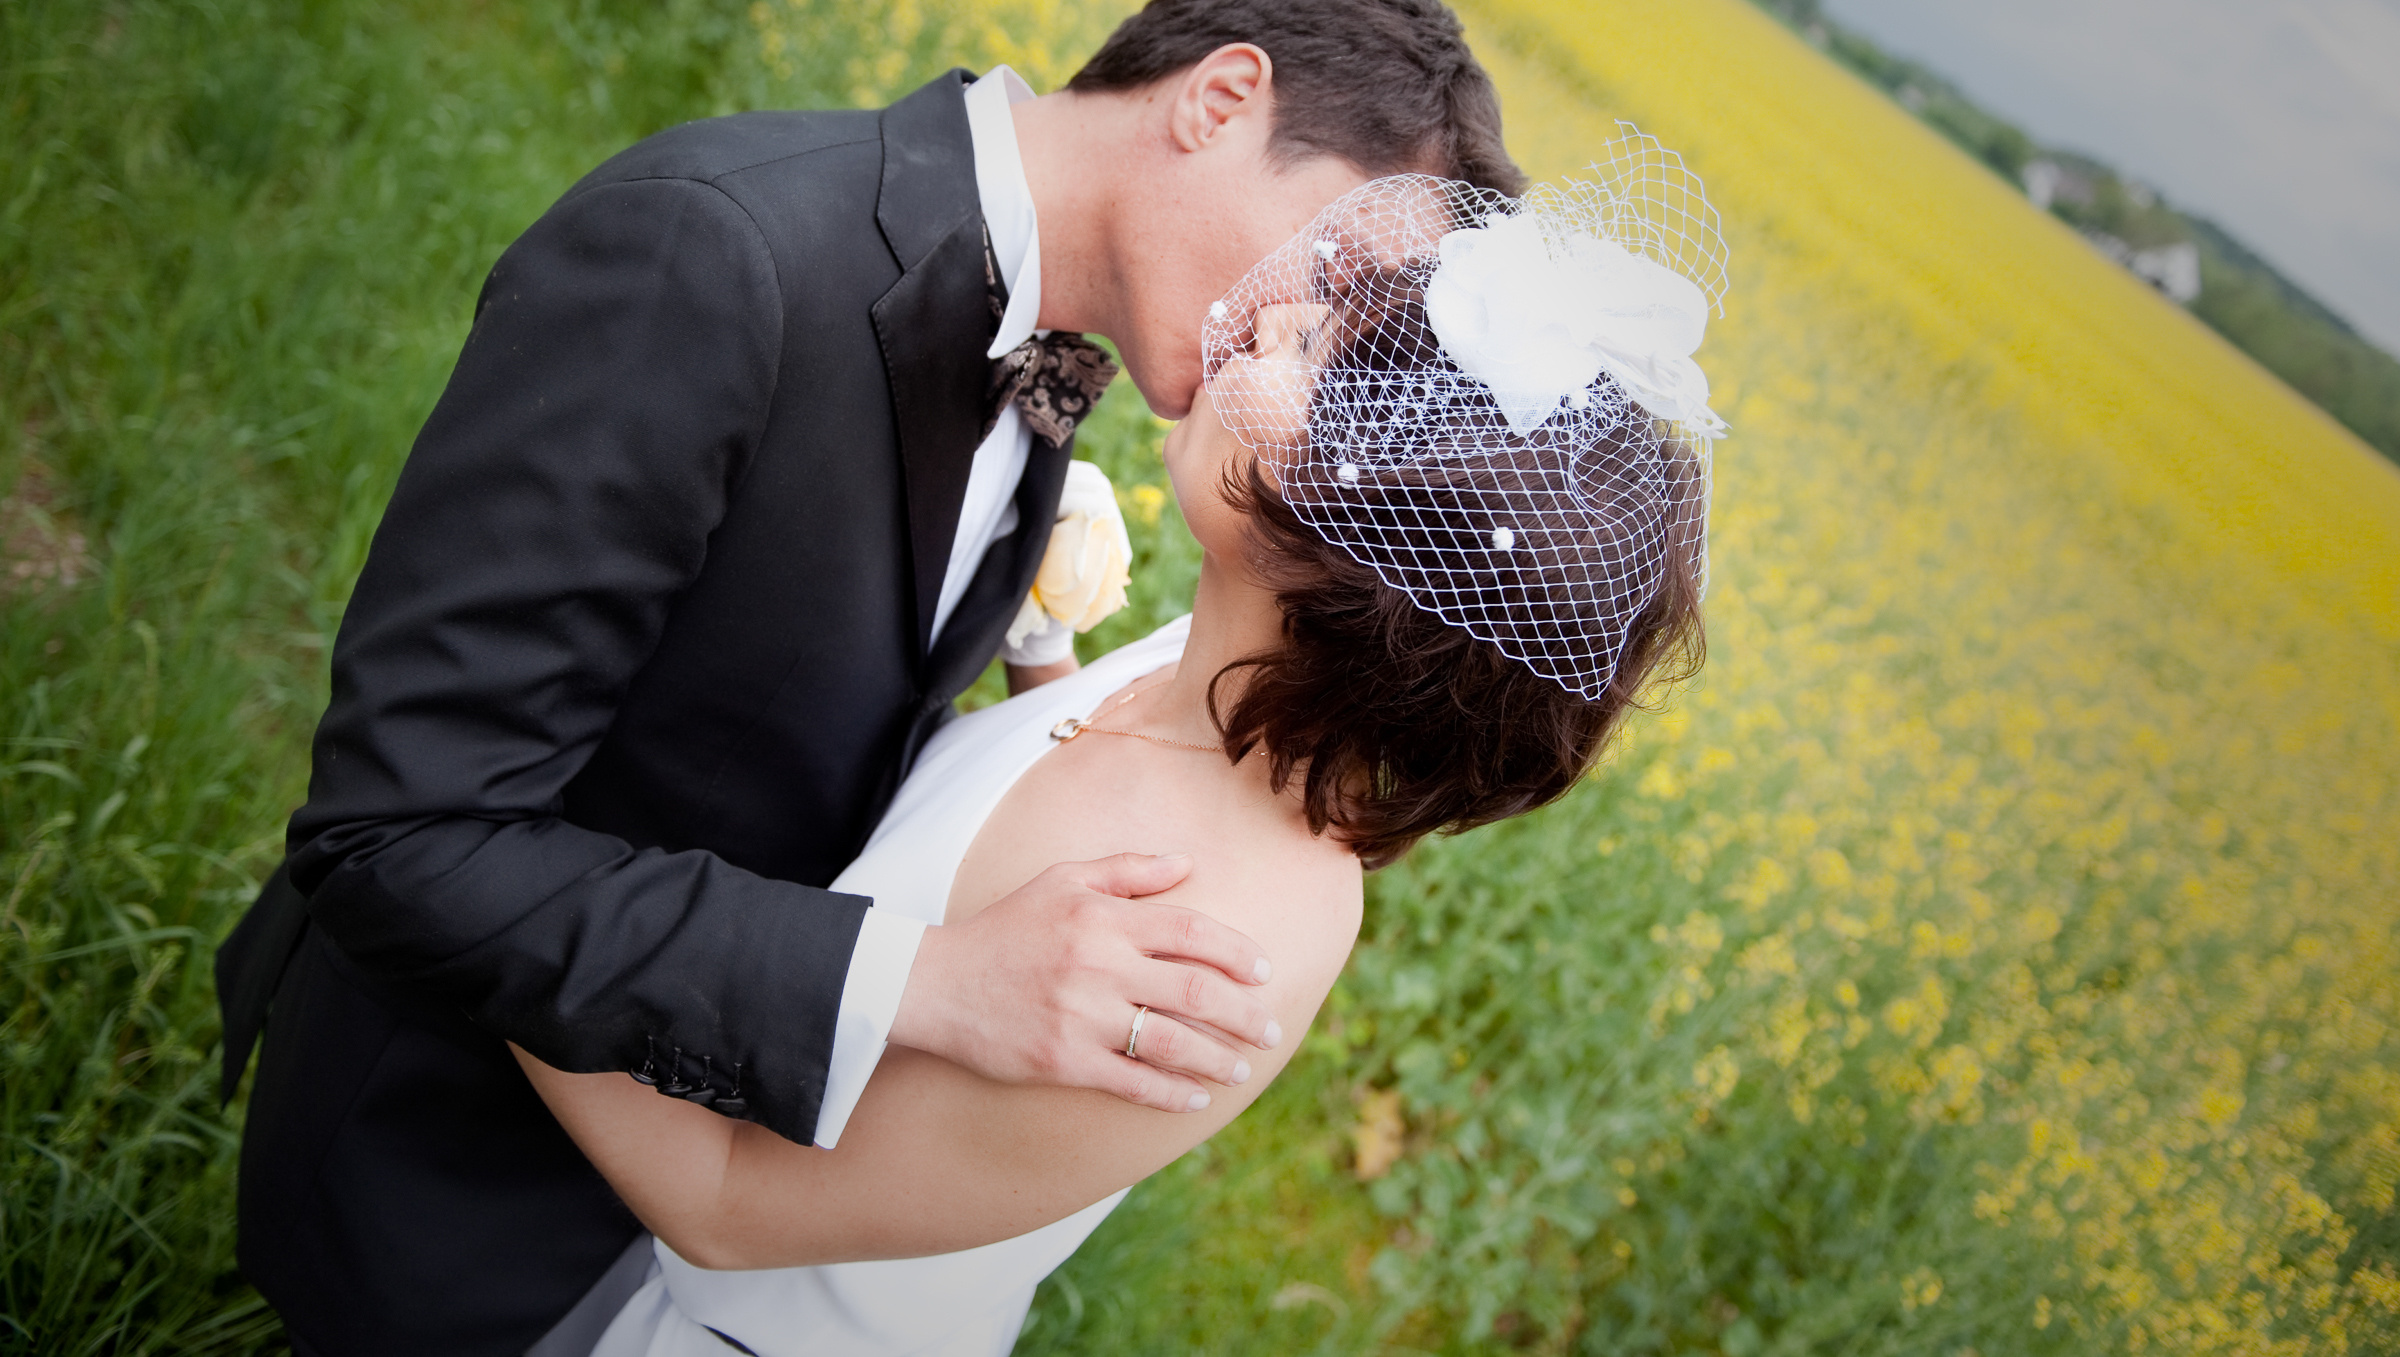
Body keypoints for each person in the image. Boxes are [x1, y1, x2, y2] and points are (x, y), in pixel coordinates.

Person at [212, 0, 1528, 1356]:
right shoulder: (714, 255)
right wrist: (932, 982)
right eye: (1334, 266)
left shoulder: (1057, 341)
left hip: (649, 1194)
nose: (1310, 331)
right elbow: (398, 826)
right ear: (1220, 100)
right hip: (444, 1167)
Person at [515, 159, 1727, 1356]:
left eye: (1317, 351)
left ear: (1358, 546)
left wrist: (469, 866)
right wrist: (1043, 644)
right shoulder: (1216, 672)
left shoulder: (1211, 947)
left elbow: (732, 1201)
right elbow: (1051, 815)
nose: (1277, 317)